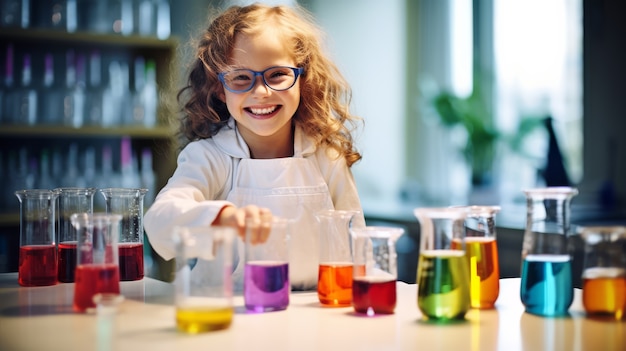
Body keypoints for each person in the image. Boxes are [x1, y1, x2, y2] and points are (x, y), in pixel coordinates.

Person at [143, 3, 365, 291]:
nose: (261, 92)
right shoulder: (210, 158)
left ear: (303, 78)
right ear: (219, 88)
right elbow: (159, 224)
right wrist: (224, 217)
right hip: (230, 317)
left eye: (277, 75)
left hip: (316, 318)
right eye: (241, 78)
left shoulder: (327, 157)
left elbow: (358, 247)